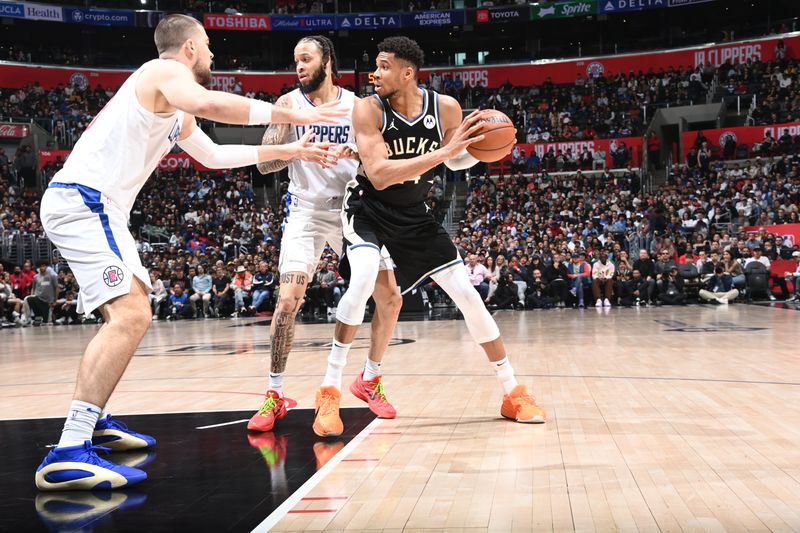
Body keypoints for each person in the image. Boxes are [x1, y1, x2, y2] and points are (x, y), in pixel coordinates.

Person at [36, 14, 347, 491]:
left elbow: (214, 155)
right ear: (187, 49)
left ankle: (93, 419)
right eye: (207, 46)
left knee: (131, 306)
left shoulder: (173, 103)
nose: (213, 55)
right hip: (86, 200)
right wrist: (290, 115)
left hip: (101, 208)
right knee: (132, 314)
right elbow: (209, 102)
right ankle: (70, 449)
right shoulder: (162, 73)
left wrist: (293, 153)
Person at [313, 36, 545, 438]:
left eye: (383, 66)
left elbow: (456, 157)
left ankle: (512, 392)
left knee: (469, 298)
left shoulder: (446, 108)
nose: (375, 73)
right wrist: (445, 153)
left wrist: (482, 148)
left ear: (407, 72)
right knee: (365, 275)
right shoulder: (368, 109)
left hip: (414, 214)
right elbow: (382, 175)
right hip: (368, 207)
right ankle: (329, 391)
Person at [247, 36, 402, 435]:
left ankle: (369, 378)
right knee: (286, 301)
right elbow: (263, 168)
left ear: (327, 62)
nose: (298, 67)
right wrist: (293, 150)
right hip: (307, 212)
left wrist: (356, 156)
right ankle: (275, 393)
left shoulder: (358, 107)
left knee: (390, 298)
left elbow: (380, 162)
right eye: (295, 60)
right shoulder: (287, 105)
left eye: (305, 59)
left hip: (354, 209)